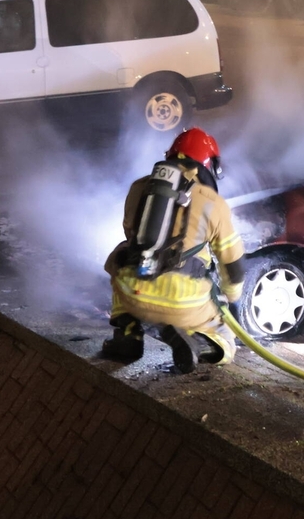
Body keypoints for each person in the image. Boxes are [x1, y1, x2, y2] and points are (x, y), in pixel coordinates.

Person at [101, 128, 246, 373]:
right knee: (226, 341)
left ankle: (127, 335)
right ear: (209, 165)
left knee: (120, 256)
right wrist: (230, 298)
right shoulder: (214, 203)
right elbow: (232, 264)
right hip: (185, 303)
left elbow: (131, 236)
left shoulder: (139, 188)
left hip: (133, 293)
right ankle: (198, 343)